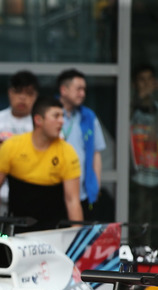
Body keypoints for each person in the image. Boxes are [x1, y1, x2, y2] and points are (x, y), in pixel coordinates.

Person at [0, 96, 82, 233]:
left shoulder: (67, 152)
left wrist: (76, 235)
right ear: (38, 120)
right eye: (56, 116)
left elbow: (72, 199)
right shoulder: (12, 146)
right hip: (17, 229)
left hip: (52, 230)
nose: (61, 121)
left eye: (62, 116)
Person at [56, 68, 107, 214]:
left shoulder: (89, 117)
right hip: (53, 190)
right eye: (78, 89)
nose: (83, 94)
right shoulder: (48, 113)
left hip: (82, 193)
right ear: (63, 90)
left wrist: (95, 184)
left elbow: (96, 153)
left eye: (84, 90)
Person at [130, 63, 158, 224]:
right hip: (136, 177)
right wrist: (139, 98)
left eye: (150, 79)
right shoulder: (127, 109)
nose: (147, 84)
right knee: (137, 219)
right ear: (134, 84)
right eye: (142, 80)